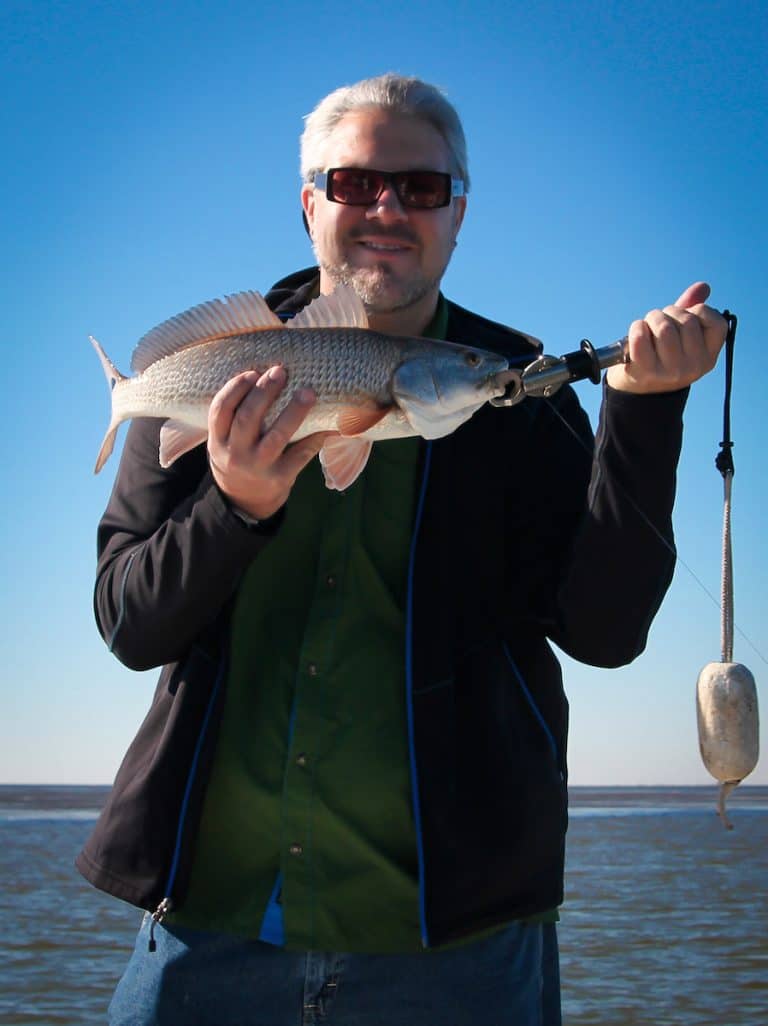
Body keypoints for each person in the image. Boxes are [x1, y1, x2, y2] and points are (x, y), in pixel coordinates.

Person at [78, 73, 726, 1025]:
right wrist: (236, 504)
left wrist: (642, 413)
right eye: (352, 185)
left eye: (421, 188)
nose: (387, 209)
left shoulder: (515, 386)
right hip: (204, 926)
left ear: (459, 212)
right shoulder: (210, 380)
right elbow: (128, 623)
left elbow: (604, 628)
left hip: (460, 953)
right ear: (310, 205)